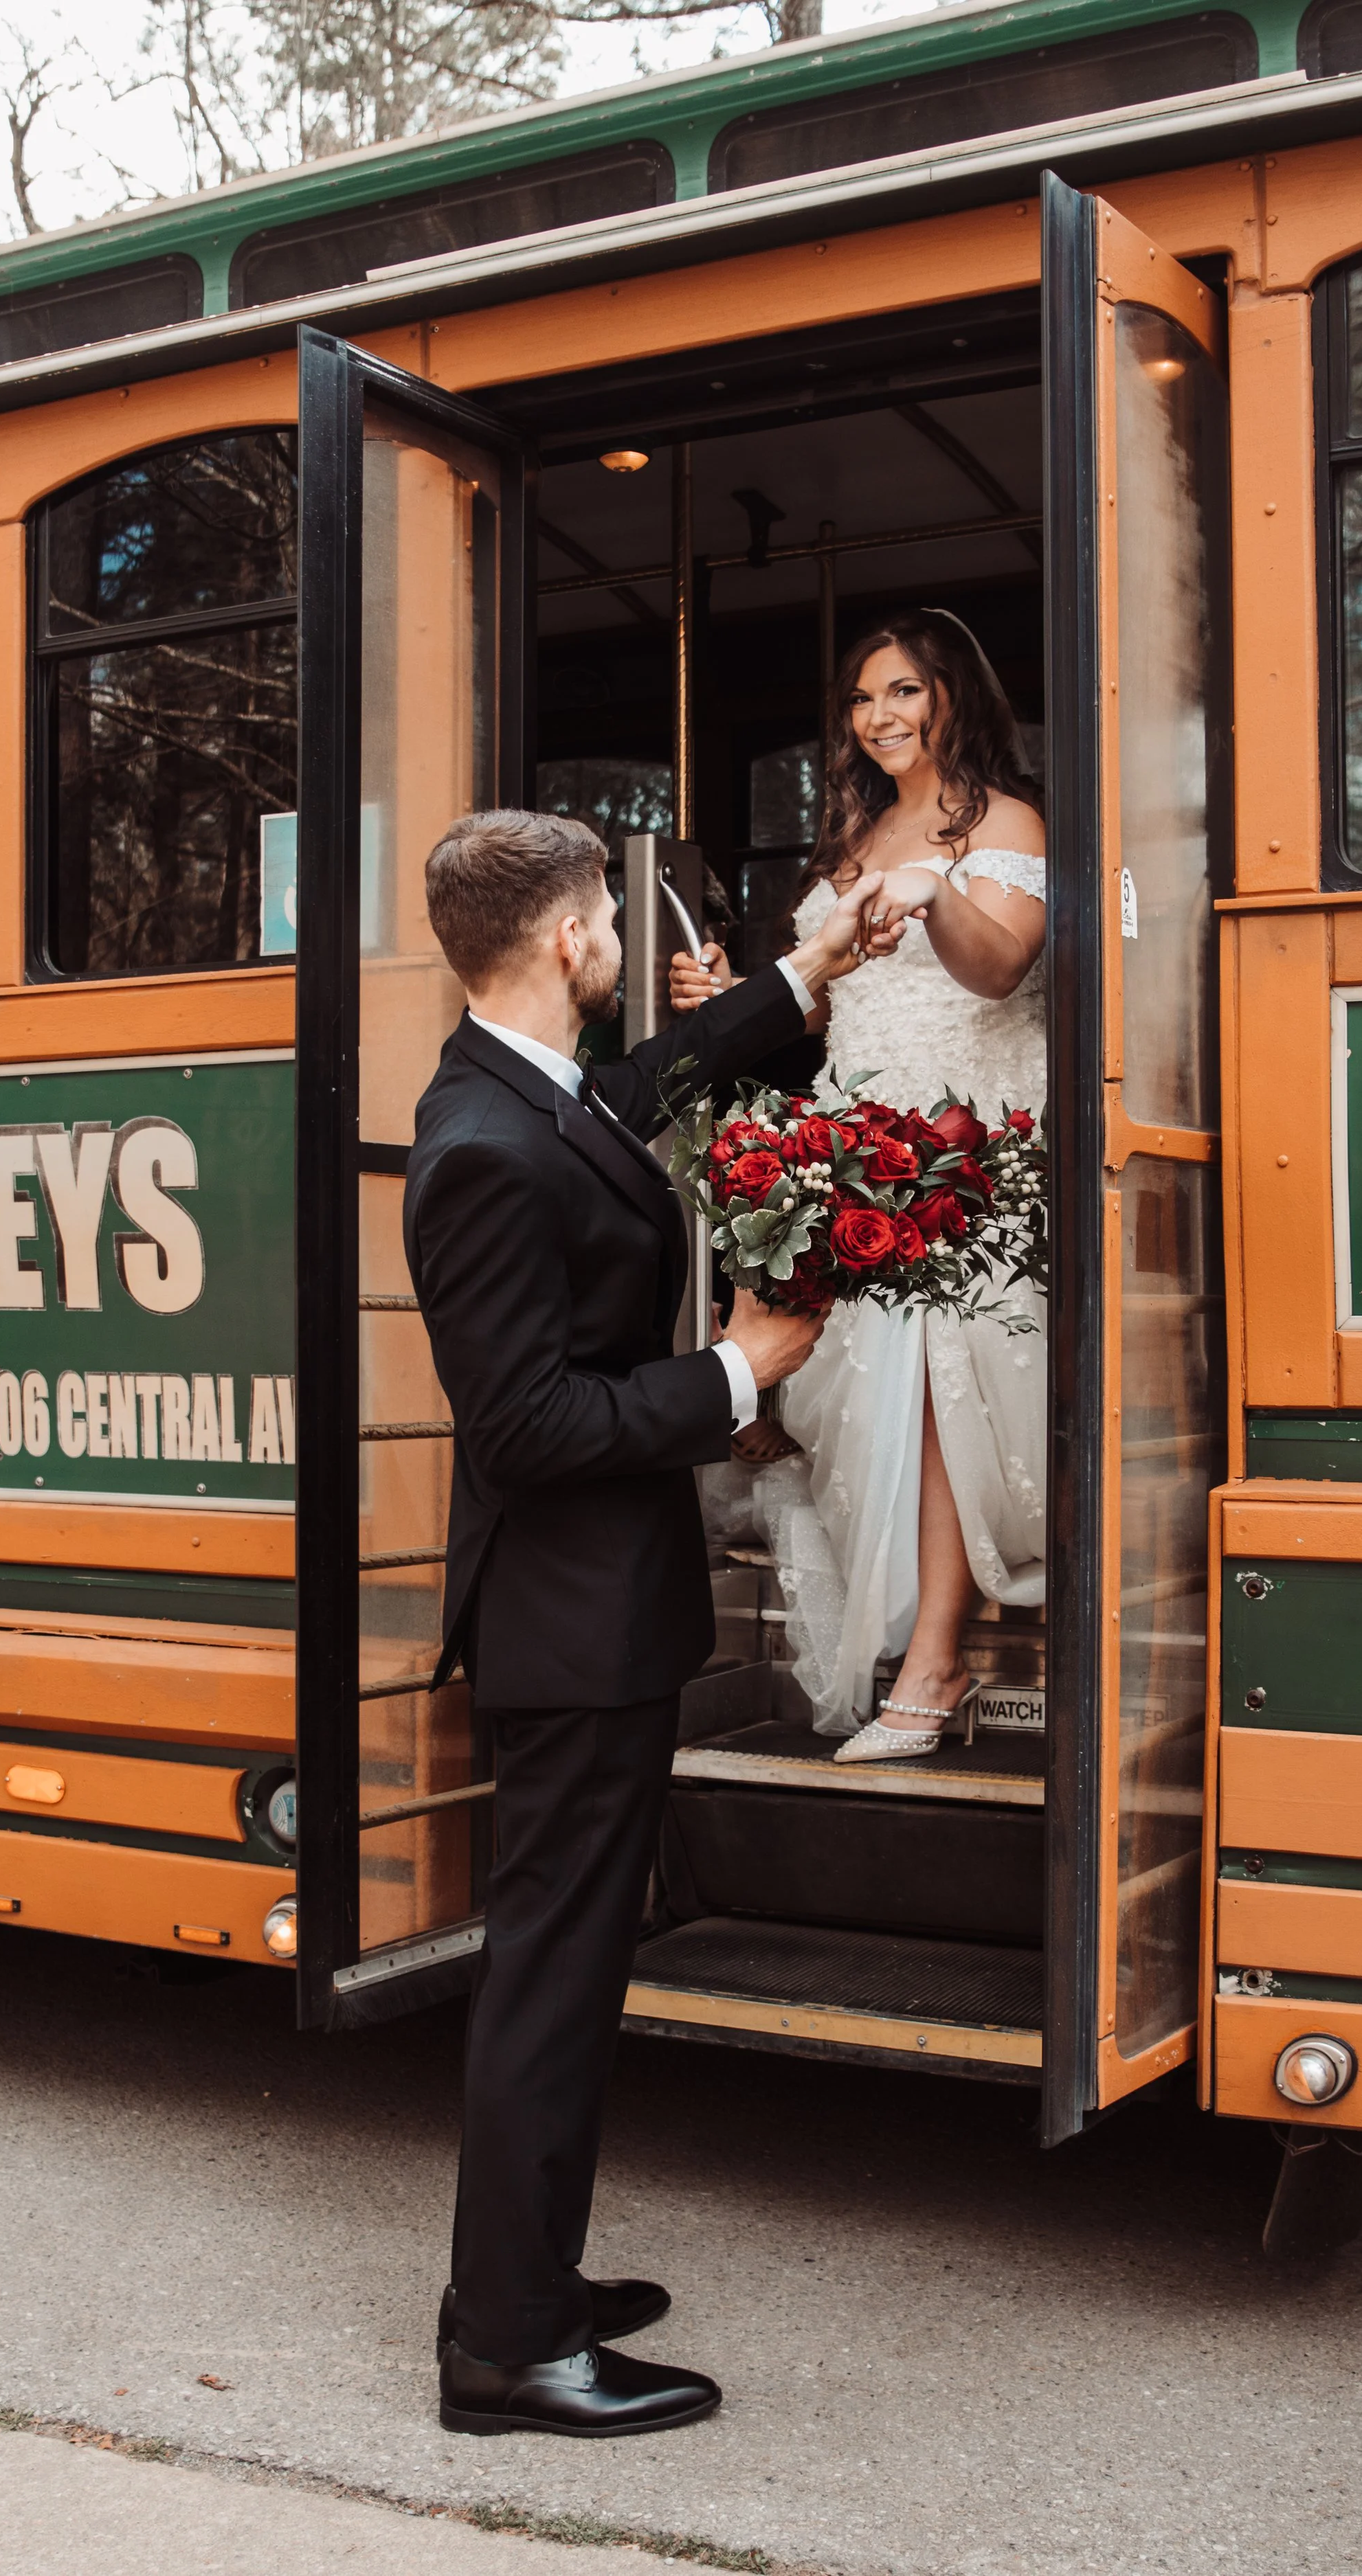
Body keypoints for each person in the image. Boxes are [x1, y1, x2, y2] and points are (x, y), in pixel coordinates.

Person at [406, 809, 869, 2437]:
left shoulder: (531, 1089)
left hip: (592, 1616)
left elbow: (646, 1087)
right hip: (565, 1630)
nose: (619, 940)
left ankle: (519, 2282)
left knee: (568, 1973)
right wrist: (737, 1370)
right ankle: (506, 2350)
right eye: (610, 916)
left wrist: (803, 972)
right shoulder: (480, 1144)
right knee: (549, 1983)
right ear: (567, 941)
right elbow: (524, 1427)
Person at [669, 609, 1046, 1761]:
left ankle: (934, 1666)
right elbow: (836, 1002)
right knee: (847, 1399)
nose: (880, 716)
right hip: (855, 1152)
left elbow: (1000, 969)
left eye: (904, 691)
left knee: (936, 1398)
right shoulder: (855, 835)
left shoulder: (1007, 821)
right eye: (863, 698)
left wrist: (937, 889)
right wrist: (734, 994)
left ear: (954, 695)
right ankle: (905, 1646)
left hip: (966, 1153)